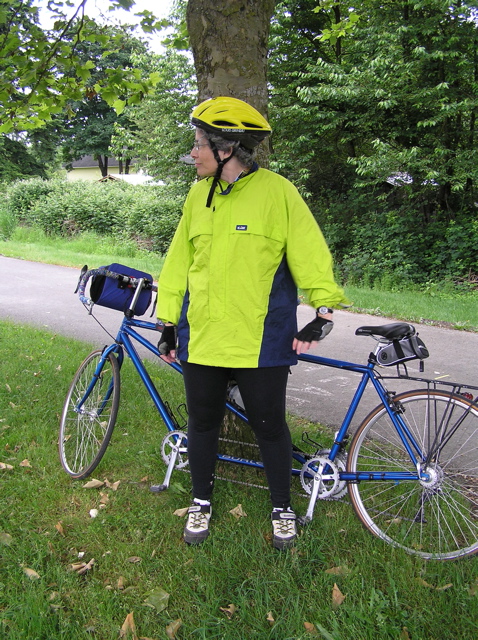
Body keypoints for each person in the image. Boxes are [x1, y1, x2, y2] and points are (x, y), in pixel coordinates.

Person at [156, 96, 349, 550]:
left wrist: (323, 311)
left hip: (261, 339)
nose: (193, 153)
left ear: (226, 149)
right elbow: (178, 262)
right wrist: (167, 321)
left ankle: (282, 508)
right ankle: (200, 501)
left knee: (269, 426)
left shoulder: (278, 192)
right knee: (203, 423)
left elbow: (309, 251)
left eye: (199, 144)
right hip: (202, 336)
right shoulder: (197, 196)